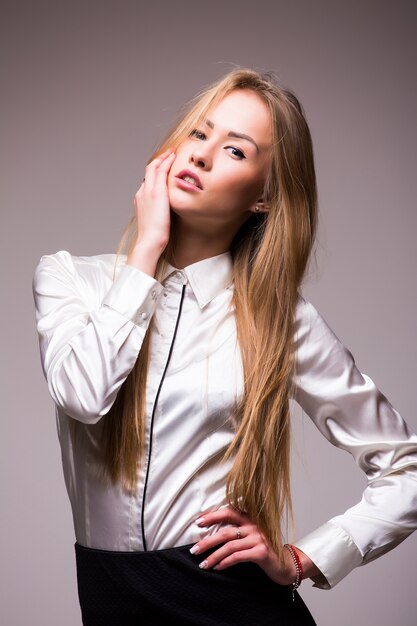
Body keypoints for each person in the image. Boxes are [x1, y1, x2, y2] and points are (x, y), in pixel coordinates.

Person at [33, 68, 417, 626]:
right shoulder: (70, 278)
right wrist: (147, 250)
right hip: (111, 600)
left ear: (264, 197)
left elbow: (407, 466)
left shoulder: (280, 319)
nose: (202, 156)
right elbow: (83, 395)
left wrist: (308, 557)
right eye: (198, 134)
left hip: (232, 605)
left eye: (235, 150)